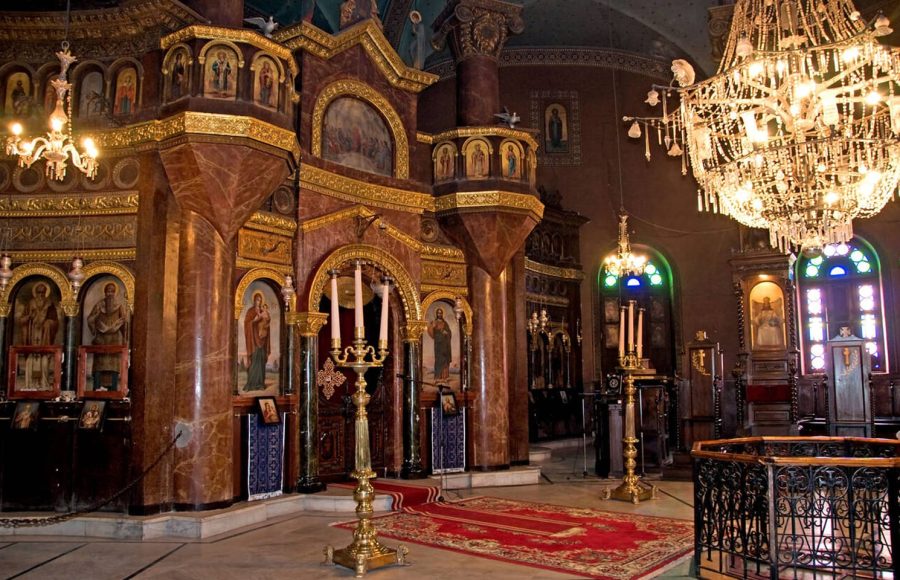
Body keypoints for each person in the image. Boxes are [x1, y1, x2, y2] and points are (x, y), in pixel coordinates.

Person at [87, 282, 128, 391]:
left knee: (112, 366)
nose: (110, 293)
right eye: (108, 291)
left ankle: (113, 390)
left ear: (115, 293)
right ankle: (97, 388)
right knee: (100, 365)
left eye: (112, 291)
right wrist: (96, 322)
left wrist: (125, 338)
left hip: (114, 340)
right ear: (105, 292)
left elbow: (124, 321)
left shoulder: (119, 306)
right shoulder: (99, 305)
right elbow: (90, 319)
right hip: (101, 339)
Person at [19, 282, 59, 390]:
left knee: (44, 362)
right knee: (31, 361)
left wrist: (48, 323)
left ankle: (44, 384)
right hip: (32, 339)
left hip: (44, 339)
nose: (40, 295)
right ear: (35, 293)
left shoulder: (49, 304)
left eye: (43, 292)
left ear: (46, 293)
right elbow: (22, 320)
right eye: (39, 292)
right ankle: (29, 385)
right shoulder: (30, 303)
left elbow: (55, 322)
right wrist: (29, 317)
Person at [243, 291, 271, 391]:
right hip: (253, 340)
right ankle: (251, 384)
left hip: (262, 340)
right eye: (256, 300)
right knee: (254, 361)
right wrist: (254, 320)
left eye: (259, 300)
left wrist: (265, 322)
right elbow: (247, 323)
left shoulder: (264, 311)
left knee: (261, 362)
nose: (258, 302)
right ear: (254, 300)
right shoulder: (250, 311)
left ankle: (260, 383)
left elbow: (267, 323)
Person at [428, 307, 452, 381]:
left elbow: (449, 333)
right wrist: (433, 327)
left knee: (445, 360)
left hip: (445, 344)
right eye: (438, 313)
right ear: (436, 314)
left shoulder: (445, 323)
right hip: (438, 344)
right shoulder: (434, 322)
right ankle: (438, 377)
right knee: (439, 360)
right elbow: (431, 332)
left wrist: (446, 333)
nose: (439, 314)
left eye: (440, 313)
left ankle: (445, 377)